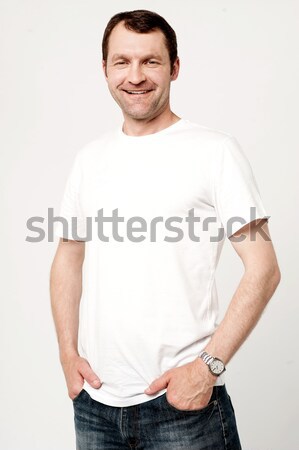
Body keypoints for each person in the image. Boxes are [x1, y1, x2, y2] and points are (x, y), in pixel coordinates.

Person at [50, 9, 281, 450]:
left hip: (183, 408)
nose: (135, 76)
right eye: (122, 62)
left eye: (150, 61)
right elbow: (68, 256)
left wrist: (207, 368)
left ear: (174, 67)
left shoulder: (214, 152)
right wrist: (67, 354)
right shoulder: (90, 159)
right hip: (96, 406)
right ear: (104, 69)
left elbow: (264, 269)